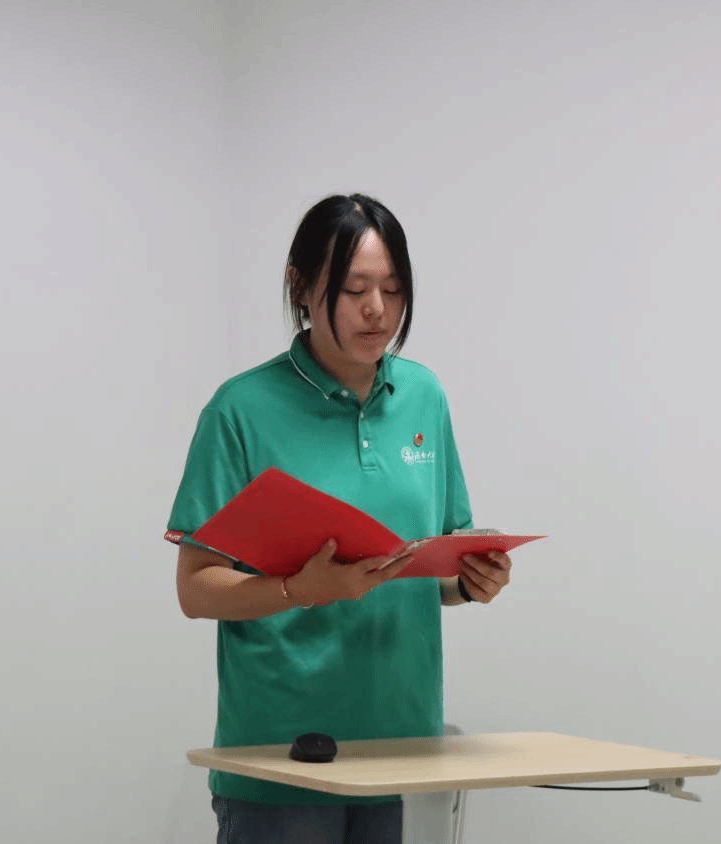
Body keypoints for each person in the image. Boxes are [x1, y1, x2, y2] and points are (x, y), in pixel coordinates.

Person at [166, 193, 513, 844]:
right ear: (301, 288)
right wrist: (300, 589)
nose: (377, 309)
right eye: (354, 290)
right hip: (281, 758)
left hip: (402, 750)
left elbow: (424, 570)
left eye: (393, 288)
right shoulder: (240, 410)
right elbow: (196, 588)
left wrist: (470, 579)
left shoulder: (424, 396)